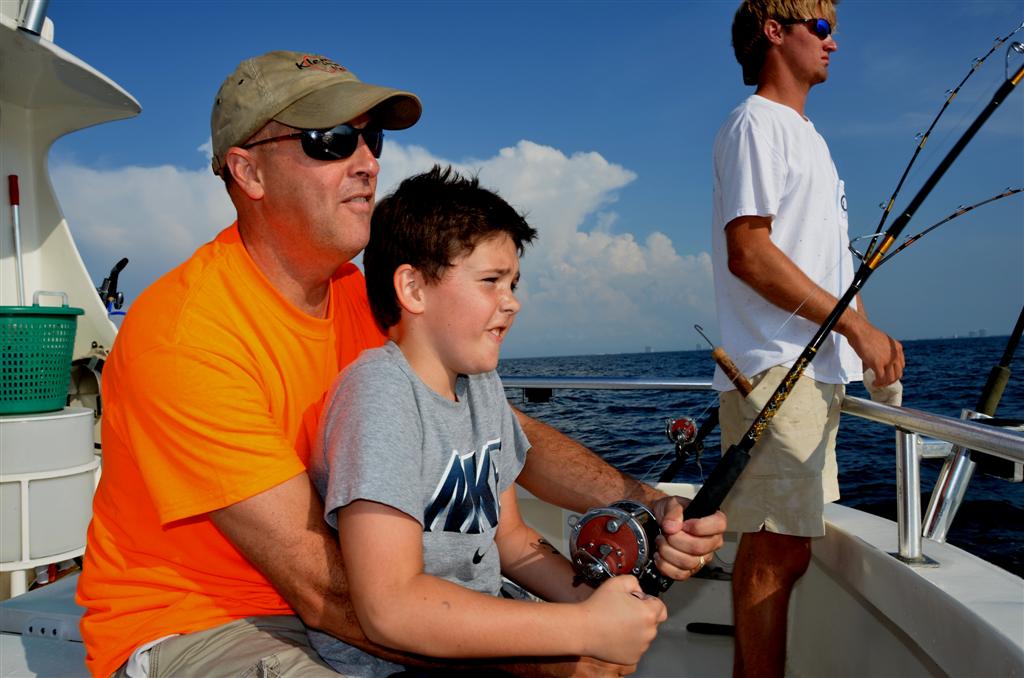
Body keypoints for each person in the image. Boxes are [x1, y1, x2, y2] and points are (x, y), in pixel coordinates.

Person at [77, 49, 726, 677]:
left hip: (363, 601)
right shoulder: (189, 333)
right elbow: (323, 590)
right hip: (209, 623)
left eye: (372, 141)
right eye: (331, 140)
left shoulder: (366, 302)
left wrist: (641, 498)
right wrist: (552, 654)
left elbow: (503, 436)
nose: (365, 162)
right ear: (248, 173)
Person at [308, 166, 667, 676]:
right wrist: (583, 628)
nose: (512, 301)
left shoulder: (483, 387)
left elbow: (513, 541)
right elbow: (390, 607)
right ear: (412, 288)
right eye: (491, 281)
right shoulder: (378, 395)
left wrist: (597, 601)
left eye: (514, 282)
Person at [711, 2, 904, 676]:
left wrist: (864, 336)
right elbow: (750, 253)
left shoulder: (808, 138)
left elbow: (822, 262)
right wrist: (855, 324)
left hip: (814, 374)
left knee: (788, 551)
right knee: (771, 553)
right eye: (821, 28)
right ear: (775, 32)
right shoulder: (756, 124)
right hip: (774, 373)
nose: (835, 42)